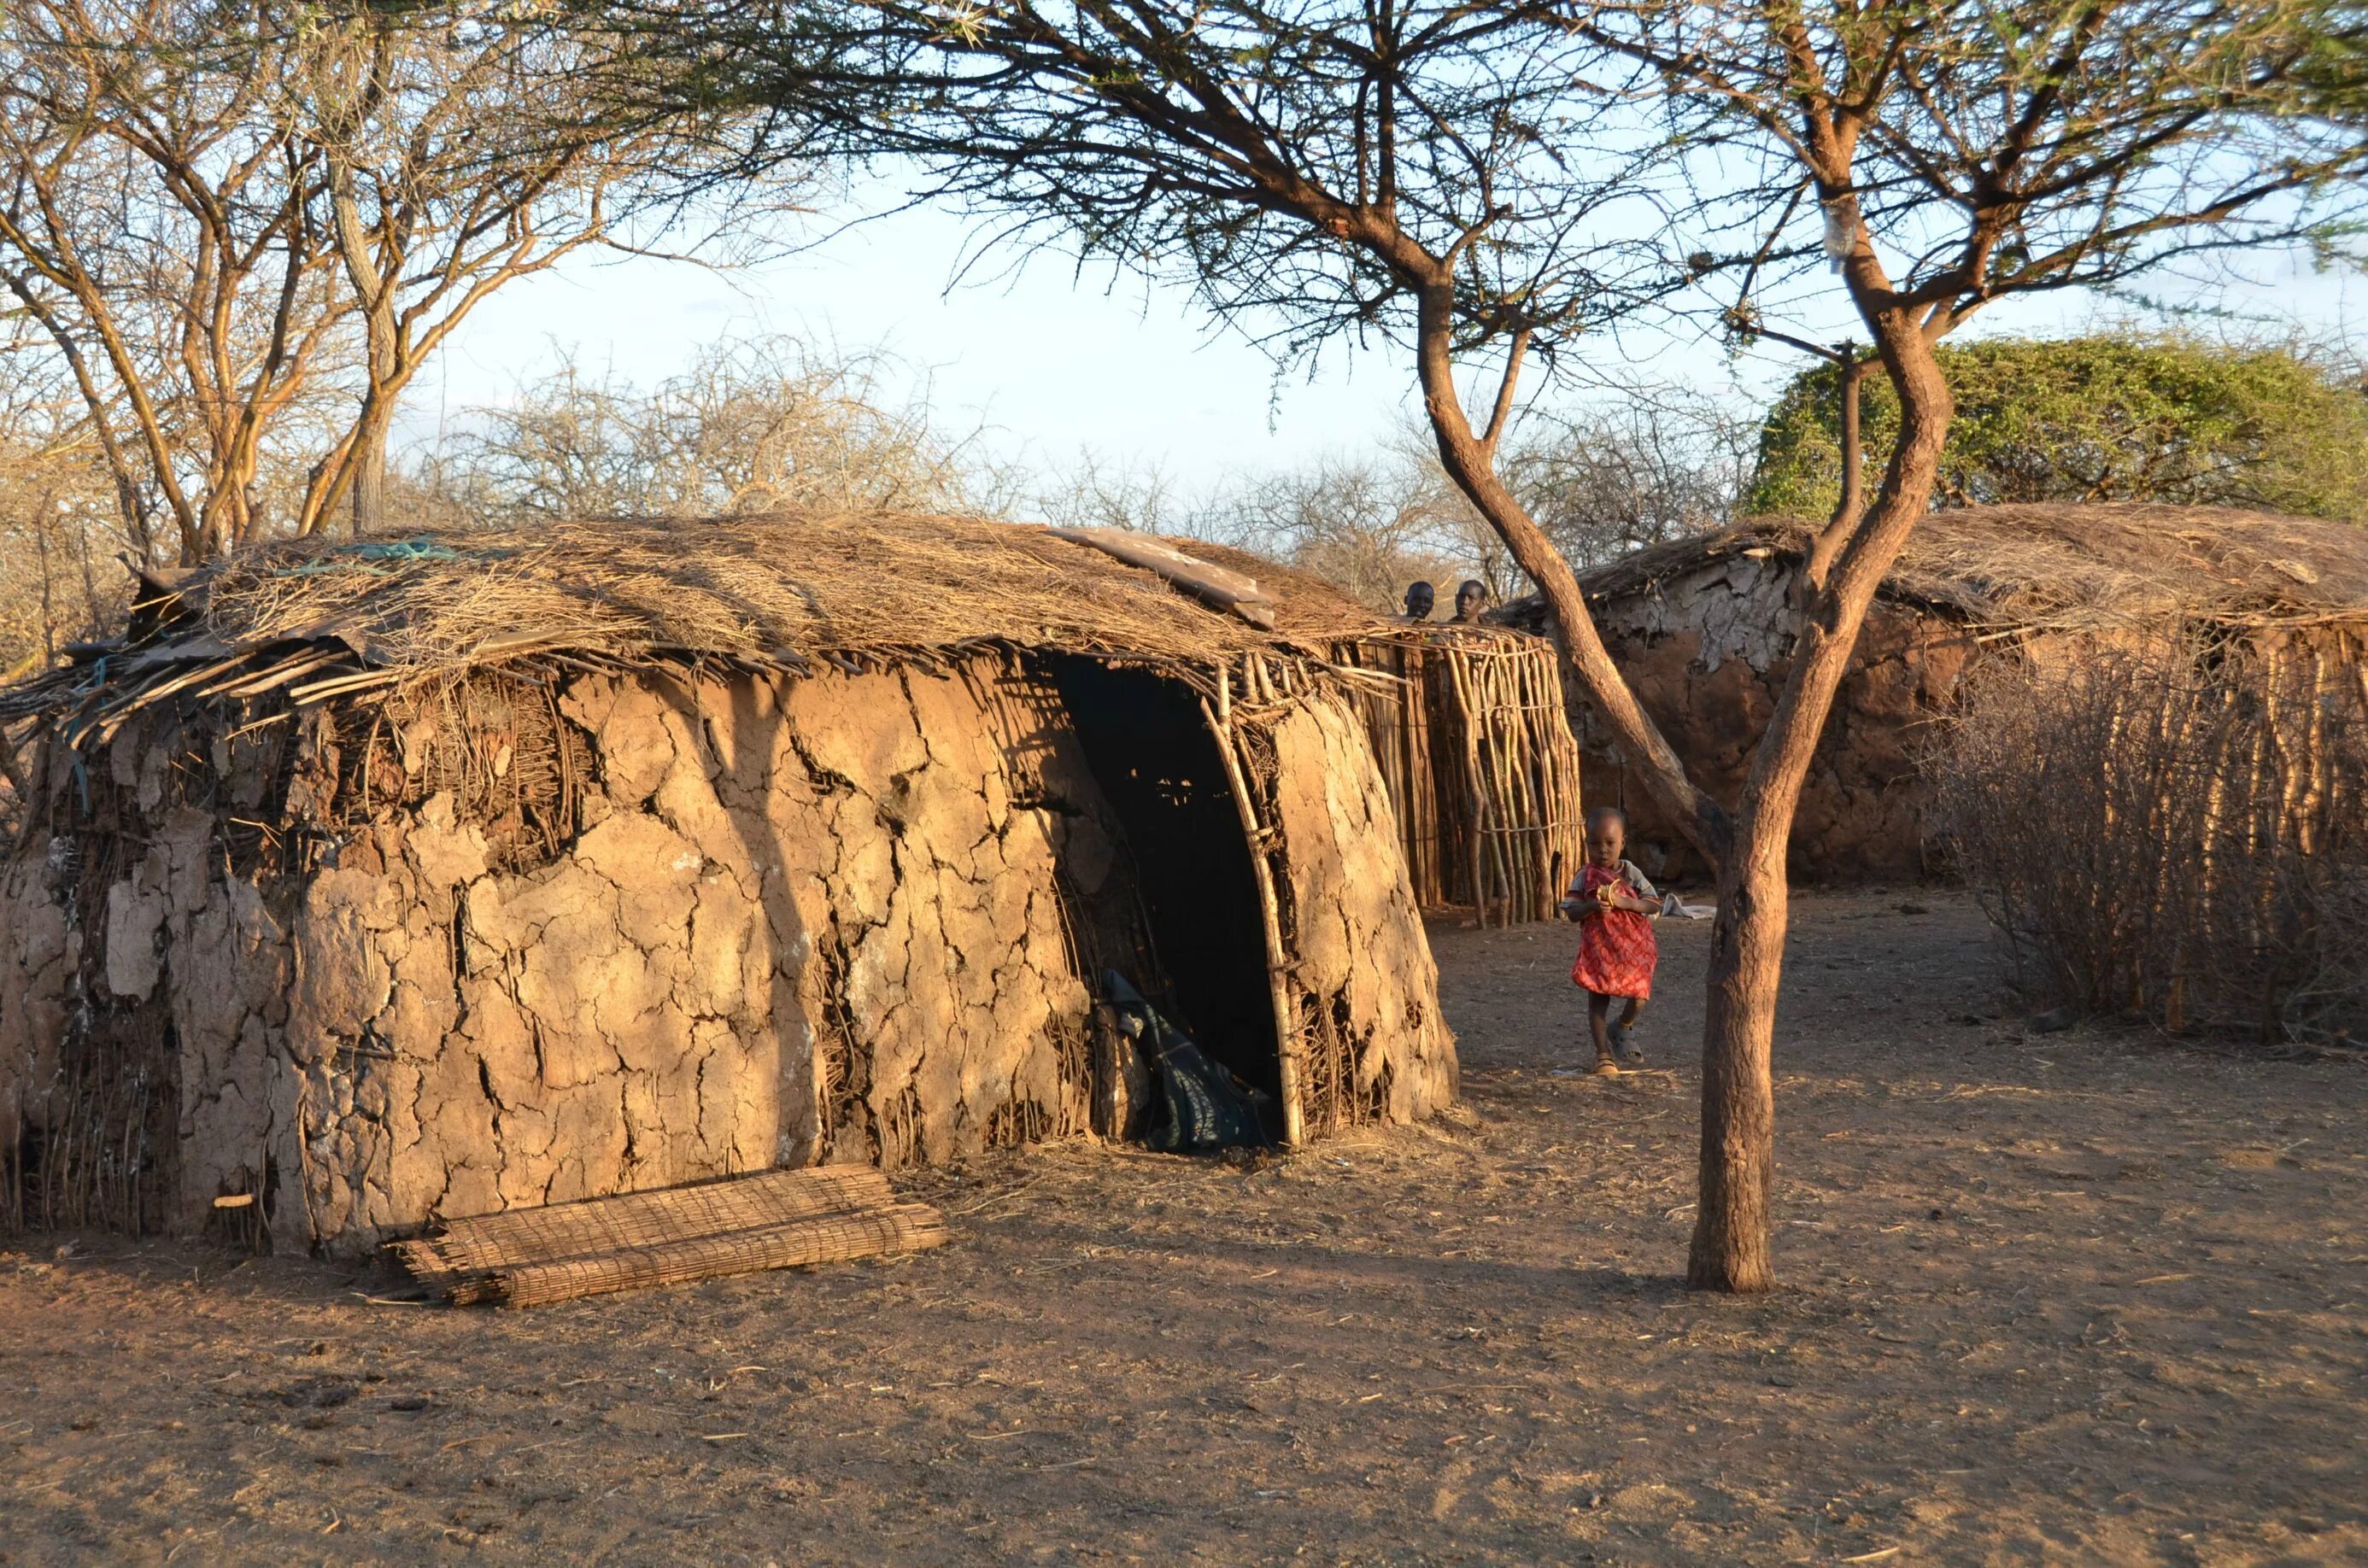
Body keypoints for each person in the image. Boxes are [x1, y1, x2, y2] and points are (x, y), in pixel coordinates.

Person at [1562, 805, 1659, 1075]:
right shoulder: (1585, 877)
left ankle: (1624, 1025)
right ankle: (1603, 1054)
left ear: (1623, 843)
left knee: (1639, 994)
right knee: (1598, 1000)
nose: (1602, 850)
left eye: (1610, 843)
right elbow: (1571, 912)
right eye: (1595, 844)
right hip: (1600, 949)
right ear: (1586, 844)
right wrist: (1593, 906)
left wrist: (1626, 902)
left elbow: (1653, 905)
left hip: (1633, 948)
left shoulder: (1631, 874)